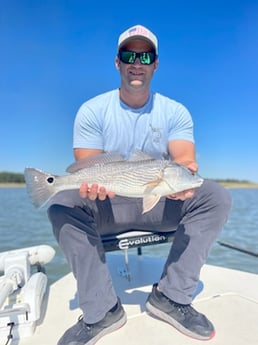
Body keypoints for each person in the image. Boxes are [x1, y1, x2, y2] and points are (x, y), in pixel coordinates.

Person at [48, 24, 232, 345]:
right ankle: (101, 310)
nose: (137, 62)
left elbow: (184, 159)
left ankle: (171, 297)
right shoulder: (92, 110)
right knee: (61, 202)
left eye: (145, 56)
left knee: (216, 196)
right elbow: (87, 164)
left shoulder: (175, 111)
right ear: (117, 62)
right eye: (129, 55)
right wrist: (90, 185)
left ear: (155, 64)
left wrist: (187, 175)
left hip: (159, 201)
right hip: (108, 205)